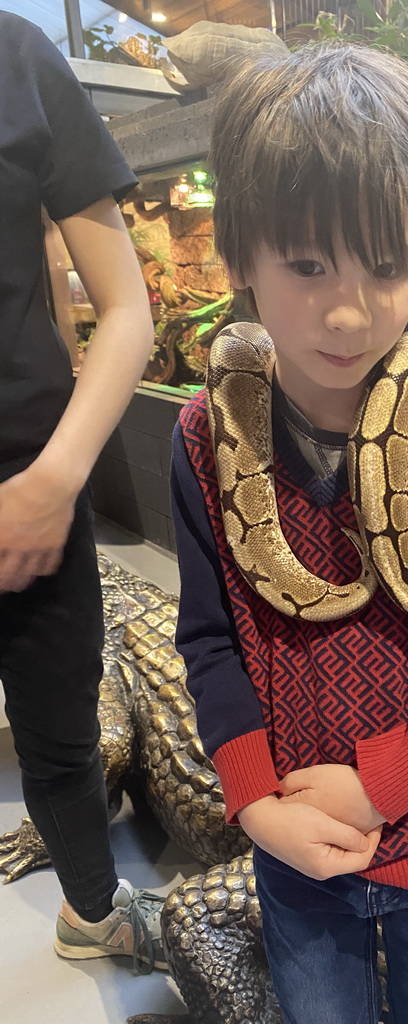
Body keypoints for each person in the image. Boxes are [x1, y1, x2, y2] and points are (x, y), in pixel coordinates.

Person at [171, 43, 408, 1023]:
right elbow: (210, 640)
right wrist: (257, 803)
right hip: (292, 847)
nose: (348, 309)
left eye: (385, 266)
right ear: (242, 258)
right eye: (306, 264)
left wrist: (382, 785)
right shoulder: (205, 439)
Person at [0, 13, 165, 972]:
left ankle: (93, 913)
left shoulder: (21, 59)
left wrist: (56, 479)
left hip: (36, 480)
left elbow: (124, 304)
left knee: (62, 731)